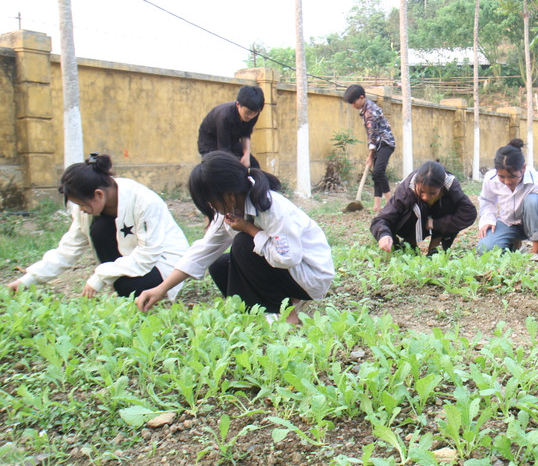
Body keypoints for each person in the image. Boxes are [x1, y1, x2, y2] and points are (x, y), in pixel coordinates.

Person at [135, 151, 335, 323]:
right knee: (220, 264)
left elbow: (288, 258)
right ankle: (253, 312)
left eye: (211, 203)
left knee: (242, 244)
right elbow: (202, 251)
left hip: (310, 276)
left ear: (229, 195)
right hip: (289, 272)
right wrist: (161, 288)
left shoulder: (271, 207)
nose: (212, 209)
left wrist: (249, 229)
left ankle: (284, 314)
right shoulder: (231, 210)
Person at [7, 153, 189, 299]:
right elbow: (67, 250)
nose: (81, 210)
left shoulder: (144, 201)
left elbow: (147, 255)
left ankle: (136, 291)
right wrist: (28, 280)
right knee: (99, 230)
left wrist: (101, 276)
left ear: (98, 194)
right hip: (132, 260)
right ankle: (123, 286)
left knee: (132, 288)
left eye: (82, 204)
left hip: (163, 262)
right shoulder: (87, 212)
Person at [477, 139, 538, 262]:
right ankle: (515, 246)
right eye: (502, 177)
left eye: (512, 176)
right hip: (508, 223)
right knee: (485, 248)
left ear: (523, 168)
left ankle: (537, 251)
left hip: (534, 223)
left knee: (533, 200)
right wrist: (488, 218)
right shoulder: (490, 178)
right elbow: (487, 200)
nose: (507, 182)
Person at [370, 161, 477, 255]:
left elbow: (469, 213)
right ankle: (410, 245)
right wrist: (384, 235)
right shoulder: (405, 192)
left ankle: (435, 248)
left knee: (450, 205)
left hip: (437, 220)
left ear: (441, 187)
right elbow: (381, 219)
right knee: (409, 209)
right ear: (416, 184)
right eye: (421, 192)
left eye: (432, 193)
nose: (426, 197)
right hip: (412, 222)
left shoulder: (450, 187)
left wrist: (436, 224)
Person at [343, 84, 395, 212]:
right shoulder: (366, 109)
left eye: (353, 102)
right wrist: (371, 154)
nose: (353, 105)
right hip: (378, 143)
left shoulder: (369, 111)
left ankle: (391, 202)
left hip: (385, 143)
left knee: (378, 172)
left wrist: (370, 155)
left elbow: (373, 134)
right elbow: (372, 135)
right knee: (376, 175)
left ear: (361, 98)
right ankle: (377, 206)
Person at [197, 85, 265, 169]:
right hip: (210, 144)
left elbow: (246, 134)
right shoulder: (224, 116)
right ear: (238, 105)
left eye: (255, 113)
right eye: (248, 112)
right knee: (227, 169)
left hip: (232, 142)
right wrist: (238, 163)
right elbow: (224, 148)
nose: (250, 116)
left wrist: (246, 154)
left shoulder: (254, 113)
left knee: (254, 165)